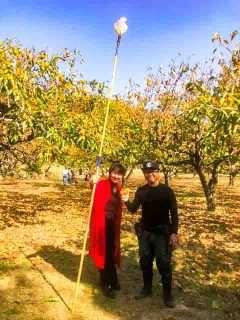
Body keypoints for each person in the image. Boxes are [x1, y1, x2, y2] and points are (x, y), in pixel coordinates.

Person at [122, 160, 179, 308]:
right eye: (147, 172)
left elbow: (174, 213)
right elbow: (134, 209)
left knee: (163, 263)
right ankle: (147, 289)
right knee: (145, 261)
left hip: (162, 233)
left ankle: (167, 294)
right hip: (146, 233)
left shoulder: (167, 191)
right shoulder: (141, 191)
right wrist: (127, 201)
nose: (150, 174)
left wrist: (174, 233)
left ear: (158, 172)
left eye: (153, 171)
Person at [89, 162, 126, 299]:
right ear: (110, 172)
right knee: (103, 253)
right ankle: (105, 283)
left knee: (111, 252)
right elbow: (93, 187)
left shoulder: (119, 187)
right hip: (102, 224)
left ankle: (113, 278)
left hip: (112, 225)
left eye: (119, 174)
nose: (116, 176)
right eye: (114, 173)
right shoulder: (102, 183)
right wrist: (92, 181)